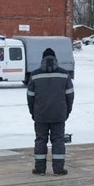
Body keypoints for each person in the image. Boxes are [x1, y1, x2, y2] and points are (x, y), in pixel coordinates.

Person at [27, 47, 74, 175]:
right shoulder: (64, 74)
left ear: (42, 59)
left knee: (40, 140)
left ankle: (40, 169)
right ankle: (58, 169)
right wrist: (67, 111)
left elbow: (30, 96)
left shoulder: (35, 75)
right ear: (55, 59)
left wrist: (33, 112)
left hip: (40, 114)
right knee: (58, 141)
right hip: (59, 114)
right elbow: (70, 95)